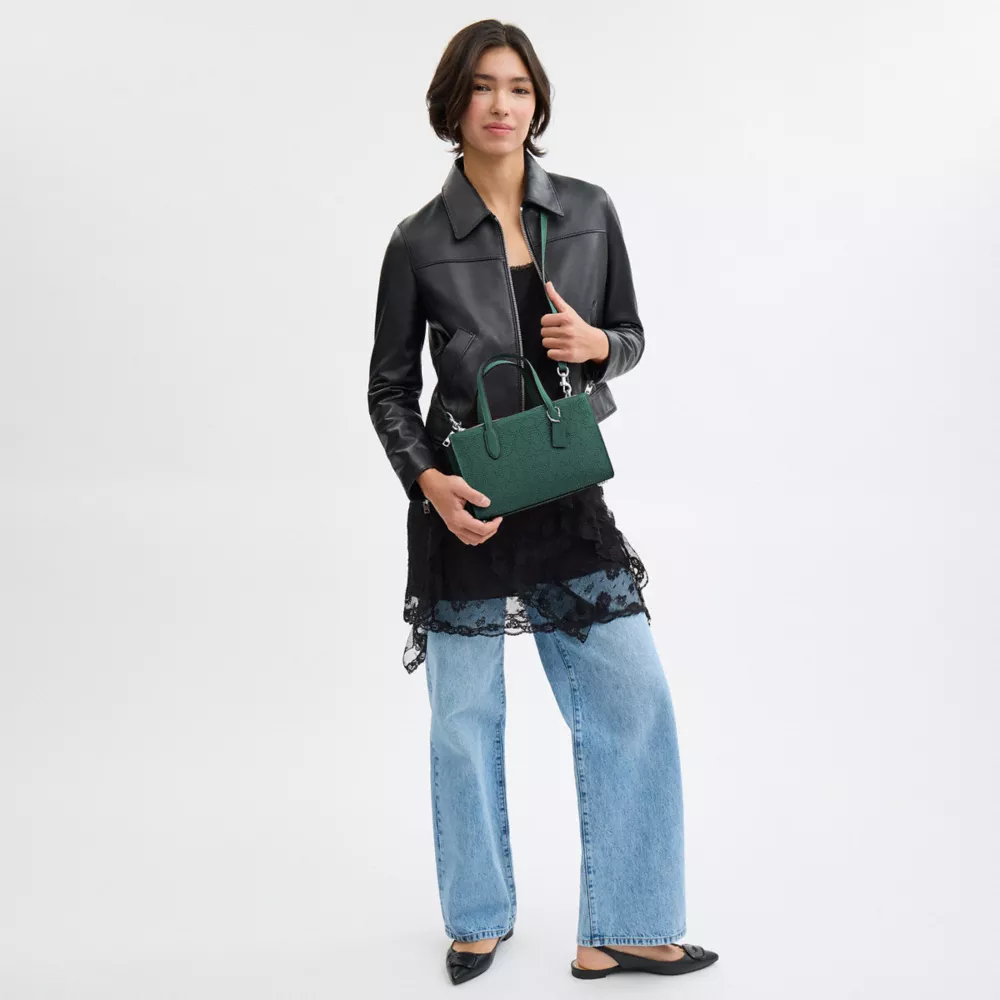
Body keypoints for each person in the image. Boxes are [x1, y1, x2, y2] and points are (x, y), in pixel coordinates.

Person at [367, 19, 720, 986]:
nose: (502, 104)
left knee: (632, 697)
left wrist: (600, 348)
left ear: (538, 101)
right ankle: (478, 916)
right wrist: (428, 479)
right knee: (464, 719)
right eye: (483, 87)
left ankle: (627, 923)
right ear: (453, 105)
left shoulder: (590, 212)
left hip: (562, 489)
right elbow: (389, 388)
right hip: (467, 496)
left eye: (518, 87)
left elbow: (630, 333)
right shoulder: (417, 241)